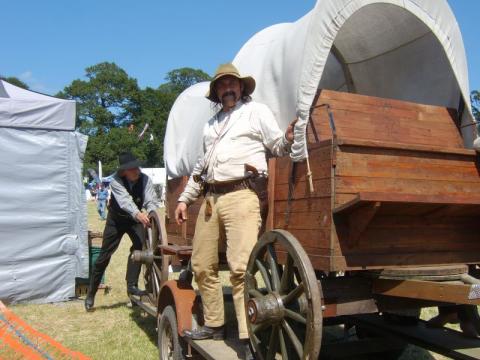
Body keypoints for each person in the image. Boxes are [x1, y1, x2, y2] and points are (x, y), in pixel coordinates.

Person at [175, 63, 295, 359]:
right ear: (216, 92)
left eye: (232, 83)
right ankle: (214, 323)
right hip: (211, 199)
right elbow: (201, 168)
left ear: (241, 88)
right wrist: (183, 199)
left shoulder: (257, 112)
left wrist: (289, 139)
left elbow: (277, 145)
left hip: (242, 194)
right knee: (202, 264)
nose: (227, 88)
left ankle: (247, 334)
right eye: (221, 85)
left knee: (240, 268)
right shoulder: (210, 125)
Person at [85, 152, 159, 311]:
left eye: (137, 168)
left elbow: (151, 200)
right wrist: (139, 214)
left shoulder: (145, 180)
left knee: (140, 249)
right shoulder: (116, 182)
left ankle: (132, 287)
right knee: (104, 255)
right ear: (124, 171)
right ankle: (91, 293)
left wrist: (151, 214)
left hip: (134, 221)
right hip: (116, 221)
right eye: (132, 169)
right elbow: (126, 201)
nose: (136, 171)